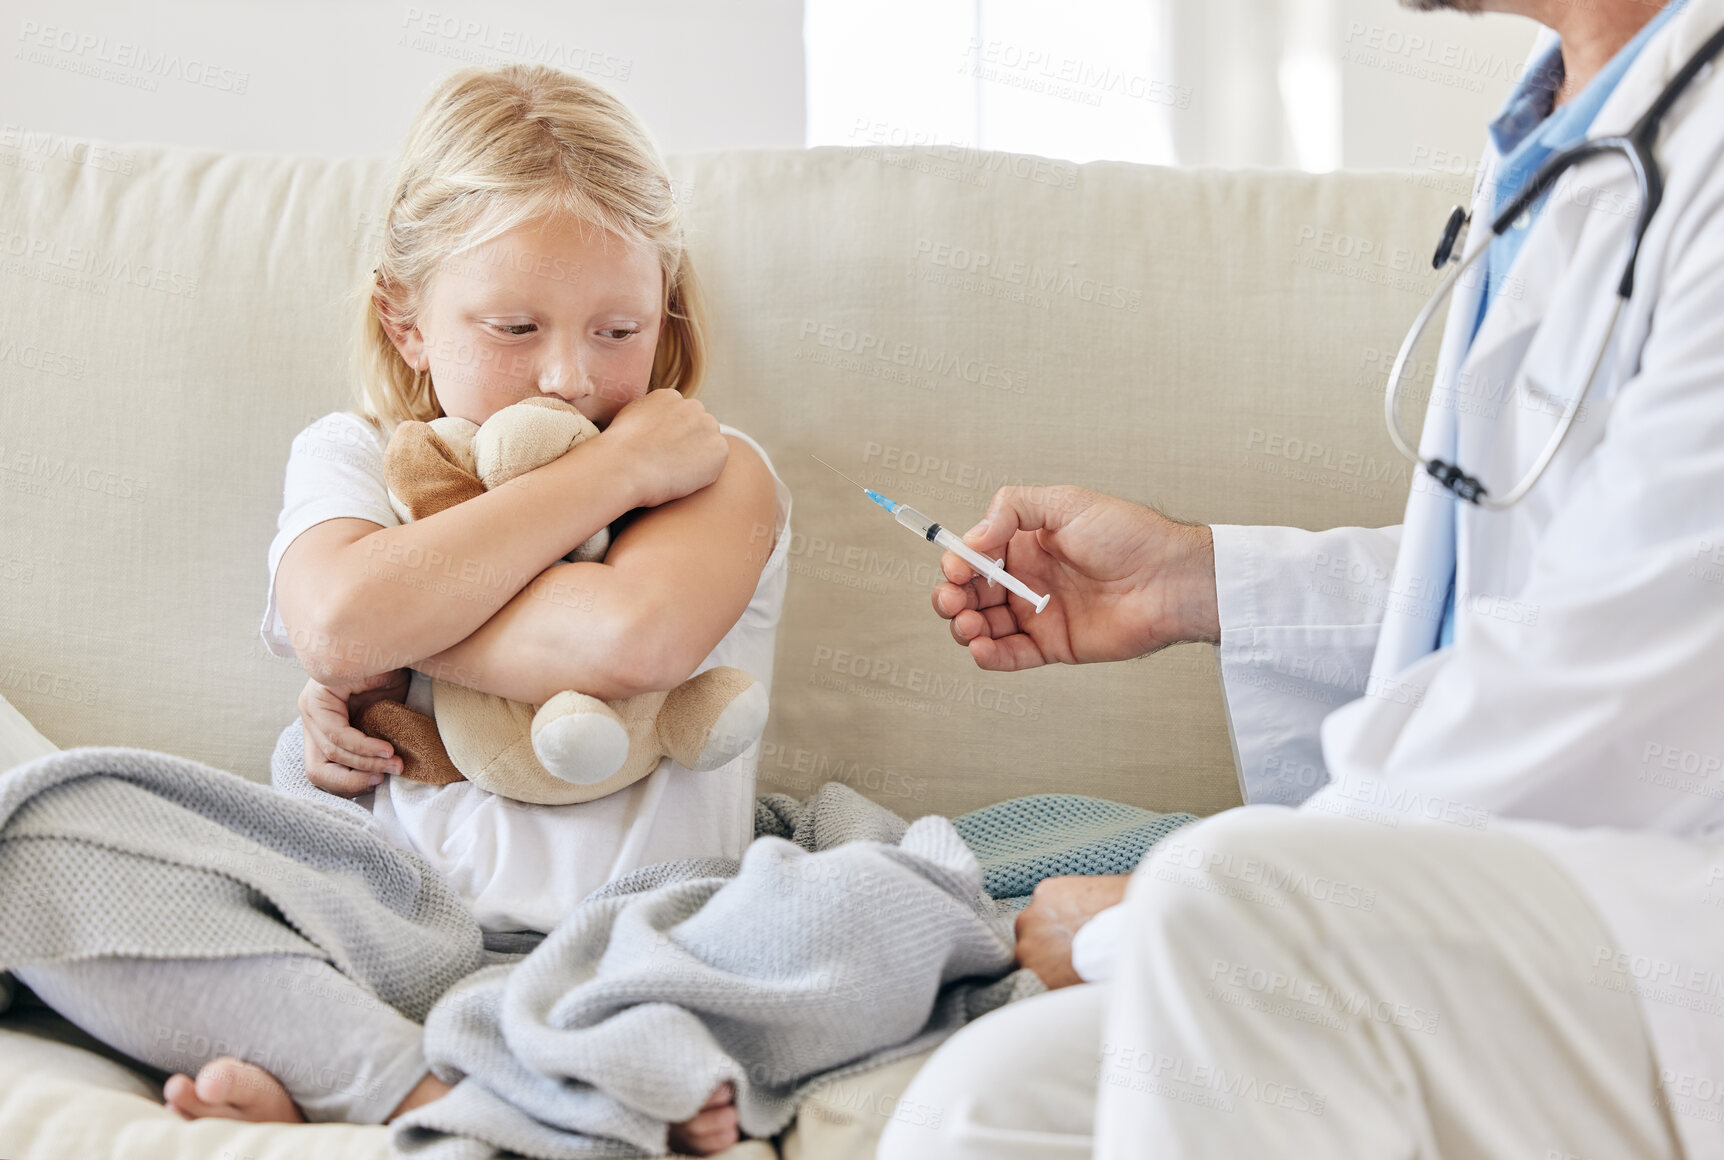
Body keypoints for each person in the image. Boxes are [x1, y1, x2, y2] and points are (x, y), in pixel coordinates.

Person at [880, 0, 1724, 1156]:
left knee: (1235, 900)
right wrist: (1190, 580)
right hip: (1530, 905)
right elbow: (1530, 584)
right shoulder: (1570, 124)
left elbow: (1611, 675)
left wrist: (1155, 911)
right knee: (985, 1097)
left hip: (1663, 921)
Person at [14, 62, 791, 1156]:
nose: (568, 375)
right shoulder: (353, 458)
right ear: (406, 318)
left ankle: (384, 1076)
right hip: (377, 926)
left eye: (619, 330)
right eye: (514, 325)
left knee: (847, 918)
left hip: (634, 942)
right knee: (34, 829)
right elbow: (337, 626)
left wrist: (394, 612)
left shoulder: (712, 469)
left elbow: (631, 638)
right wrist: (601, 480)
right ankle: (405, 1082)